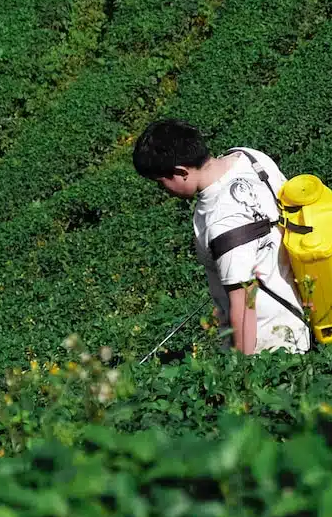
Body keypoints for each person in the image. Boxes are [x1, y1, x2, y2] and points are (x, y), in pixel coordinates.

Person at [131, 119, 311, 354]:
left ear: (180, 172)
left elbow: (244, 306)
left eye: (161, 183)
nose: (162, 191)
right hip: (304, 309)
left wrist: (241, 375)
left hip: (274, 346)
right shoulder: (249, 158)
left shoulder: (222, 221)